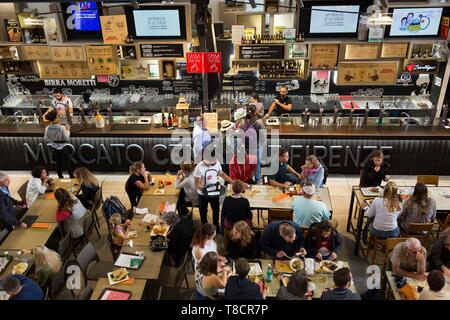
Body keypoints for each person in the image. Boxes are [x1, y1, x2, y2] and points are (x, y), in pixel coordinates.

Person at [194, 151, 234, 228]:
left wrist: (232, 181)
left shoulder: (217, 163)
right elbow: (197, 184)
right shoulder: (199, 167)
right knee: (203, 211)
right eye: (214, 161)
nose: (216, 162)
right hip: (203, 194)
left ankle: (216, 225)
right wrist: (205, 189)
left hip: (214, 192)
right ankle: (205, 226)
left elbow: (221, 174)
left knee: (216, 210)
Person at [43, 110, 74, 179]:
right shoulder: (61, 128)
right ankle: (71, 176)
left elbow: (46, 139)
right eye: (58, 116)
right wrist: (68, 130)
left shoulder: (47, 128)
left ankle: (60, 176)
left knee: (58, 163)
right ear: (56, 118)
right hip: (63, 147)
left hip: (54, 148)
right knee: (67, 162)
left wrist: (53, 141)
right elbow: (66, 138)